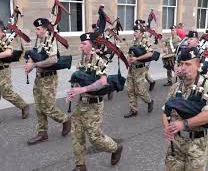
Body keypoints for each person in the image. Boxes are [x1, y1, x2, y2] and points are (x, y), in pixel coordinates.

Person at [66, 33, 123, 171]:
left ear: (92, 46)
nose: (81, 46)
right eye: (81, 43)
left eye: (84, 43)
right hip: (82, 104)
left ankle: (116, 148)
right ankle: (80, 165)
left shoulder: (99, 61)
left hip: (94, 105)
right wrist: (73, 92)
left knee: (95, 138)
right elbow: (78, 82)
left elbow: (102, 82)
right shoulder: (81, 62)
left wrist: (84, 89)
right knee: (76, 134)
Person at [162, 36, 208, 170]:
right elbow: (165, 111)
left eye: (188, 64)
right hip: (175, 145)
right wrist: (167, 128)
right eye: (181, 64)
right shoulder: (175, 87)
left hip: (196, 146)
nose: (183, 68)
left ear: (198, 65)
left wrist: (184, 124)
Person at [25, 18, 71, 145]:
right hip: (39, 78)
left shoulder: (51, 41)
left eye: (38, 29)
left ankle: (65, 119)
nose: (36, 31)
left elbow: (53, 60)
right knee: (39, 107)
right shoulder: (39, 41)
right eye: (36, 28)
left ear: (45, 29)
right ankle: (42, 133)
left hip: (49, 78)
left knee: (48, 107)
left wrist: (34, 65)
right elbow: (33, 55)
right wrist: (29, 64)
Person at [0, 20, 29, 119]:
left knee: (6, 93)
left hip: (3, 71)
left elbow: (8, 53)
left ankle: (23, 105)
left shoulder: (5, 40)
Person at [124, 24, 154, 118]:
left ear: (141, 33)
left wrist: (137, 58)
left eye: (136, 31)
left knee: (140, 91)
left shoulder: (145, 41)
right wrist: (128, 59)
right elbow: (130, 53)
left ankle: (149, 101)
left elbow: (150, 54)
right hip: (132, 69)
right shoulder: (134, 41)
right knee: (130, 89)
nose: (134, 33)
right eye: (134, 31)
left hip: (140, 69)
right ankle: (133, 110)